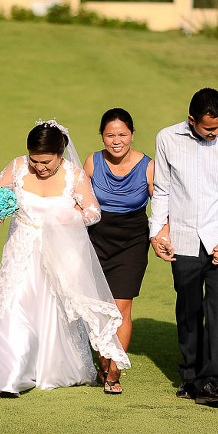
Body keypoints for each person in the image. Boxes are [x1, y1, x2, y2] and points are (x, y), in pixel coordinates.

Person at [0, 120, 130, 397]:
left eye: (46, 162)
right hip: (22, 249)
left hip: (60, 252)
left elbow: (93, 212)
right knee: (15, 306)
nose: (39, 167)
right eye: (35, 160)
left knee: (53, 308)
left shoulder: (73, 175)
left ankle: (50, 367)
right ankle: (11, 377)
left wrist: (70, 217)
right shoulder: (17, 167)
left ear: (60, 154)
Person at [149, 87, 218, 406]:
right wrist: (157, 233)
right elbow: (162, 190)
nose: (216, 132)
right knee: (189, 311)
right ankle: (190, 377)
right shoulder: (166, 139)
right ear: (192, 120)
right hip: (184, 240)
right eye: (209, 128)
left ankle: (213, 383)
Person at [84, 108, 154, 394]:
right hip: (97, 238)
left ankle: (114, 371)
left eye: (122, 134)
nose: (116, 140)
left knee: (121, 307)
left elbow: (163, 206)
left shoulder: (149, 166)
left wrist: (164, 234)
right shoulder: (92, 161)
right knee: (101, 308)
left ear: (132, 134)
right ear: (102, 136)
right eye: (110, 135)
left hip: (132, 241)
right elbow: (78, 200)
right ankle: (103, 361)